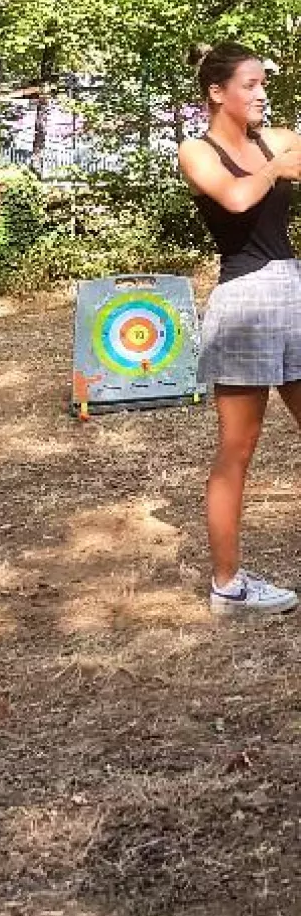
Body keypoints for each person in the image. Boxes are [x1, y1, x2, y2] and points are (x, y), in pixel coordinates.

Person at [179, 41, 301, 617]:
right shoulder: (196, 151)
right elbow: (235, 198)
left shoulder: (275, 138)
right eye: (249, 85)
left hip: (292, 289)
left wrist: (279, 157)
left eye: (263, 85)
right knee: (238, 448)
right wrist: (275, 168)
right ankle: (227, 586)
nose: (260, 94)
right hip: (244, 299)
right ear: (216, 92)